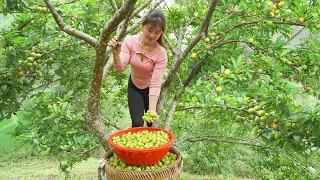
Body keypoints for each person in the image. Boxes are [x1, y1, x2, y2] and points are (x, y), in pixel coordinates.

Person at [107, 10, 168, 128]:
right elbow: (120, 68)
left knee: (151, 123)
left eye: (157, 32)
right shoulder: (130, 41)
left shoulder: (161, 53)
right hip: (134, 87)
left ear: (161, 33)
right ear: (142, 26)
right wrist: (115, 54)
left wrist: (152, 110)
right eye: (149, 30)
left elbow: (155, 84)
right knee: (137, 123)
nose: (152, 35)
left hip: (151, 89)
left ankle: (150, 146)